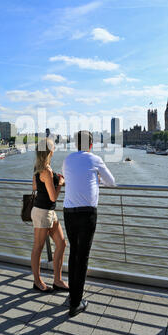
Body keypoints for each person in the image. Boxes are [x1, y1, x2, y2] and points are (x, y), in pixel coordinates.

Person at [63, 130, 116, 317]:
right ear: (91, 145)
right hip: (87, 213)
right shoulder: (95, 159)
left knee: (74, 253)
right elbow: (112, 182)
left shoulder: (67, 160)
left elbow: (70, 180)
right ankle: (76, 303)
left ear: (76, 144)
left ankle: (72, 295)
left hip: (68, 212)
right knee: (83, 257)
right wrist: (97, 181)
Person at [31, 138, 69, 293]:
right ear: (49, 151)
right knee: (38, 247)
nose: (54, 149)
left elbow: (34, 186)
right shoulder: (46, 170)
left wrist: (53, 181)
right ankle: (38, 282)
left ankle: (57, 280)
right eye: (53, 147)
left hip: (49, 212)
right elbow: (53, 197)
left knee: (62, 244)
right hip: (43, 212)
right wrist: (59, 183)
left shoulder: (40, 167)